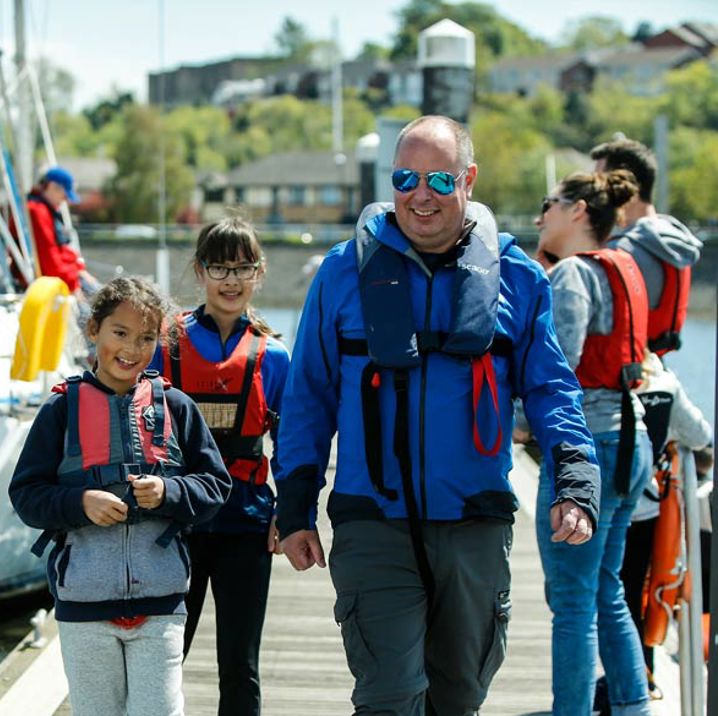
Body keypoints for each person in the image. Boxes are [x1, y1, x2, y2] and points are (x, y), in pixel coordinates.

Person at [275, 115, 601, 716]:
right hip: (373, 520)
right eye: (405, 178)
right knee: (388, 696)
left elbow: (554, 389)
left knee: (460, 696)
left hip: (474, 520)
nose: (420, 194)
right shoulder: (342, 273)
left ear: (467, 180)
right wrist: (294, 504)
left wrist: (576, 481)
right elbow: (308, 396)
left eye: (438, 180)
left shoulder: (519, 279)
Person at [9, 276, 232, 716]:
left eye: (147, 337)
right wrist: (79, 504)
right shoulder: (59, 411)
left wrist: (170, 491)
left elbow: (215, 486)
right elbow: (26, 496)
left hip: (161, 606)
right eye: (120, 333)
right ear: (94, 330)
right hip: (84, 607)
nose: (132, 348)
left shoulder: (177, 407)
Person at [150, 217, 290, 716]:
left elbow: (290, 442)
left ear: (259, 273)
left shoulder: (274, 357)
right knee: (163, 657)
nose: (231, 280)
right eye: (219, 268)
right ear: (200, 271)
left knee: (239, 664)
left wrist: (290, 512)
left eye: (243, 268)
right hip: (174, 523)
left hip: (246, 521)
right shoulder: (164, 347)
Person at [534, 169, 655, 715]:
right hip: (634, 440)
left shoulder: (572, 277)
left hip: (591, 448)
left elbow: (560, 370)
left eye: (550, 204)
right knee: (607, 588)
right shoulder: (625, 267)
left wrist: (514, 421)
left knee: (573, 603)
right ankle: (634, 706)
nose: (542, 217)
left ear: (578, 210)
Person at [593, 350, 713, 713]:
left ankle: (619, 680)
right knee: (633, 593)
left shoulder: (604, 380)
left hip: (597, 505)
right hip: (645, 508)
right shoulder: (667, 386)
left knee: (596, 595)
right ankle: (639, 674)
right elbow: (701, 435)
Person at [589, 139, 702, 356]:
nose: (596, 193)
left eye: (600, 182)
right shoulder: (673, 239)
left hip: (622, 375)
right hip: (658, 368)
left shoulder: (623, 251)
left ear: (625, 182)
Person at [21, 166, 100, 297]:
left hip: (62, 276)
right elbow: (49, 261)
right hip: (48, 285)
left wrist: (79, 269)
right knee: (97, 303)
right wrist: (74, 285)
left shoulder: (43, 210)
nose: (65, 201)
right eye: (64, 195)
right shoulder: (37, 212)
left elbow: (58, 250)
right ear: (52, 187)